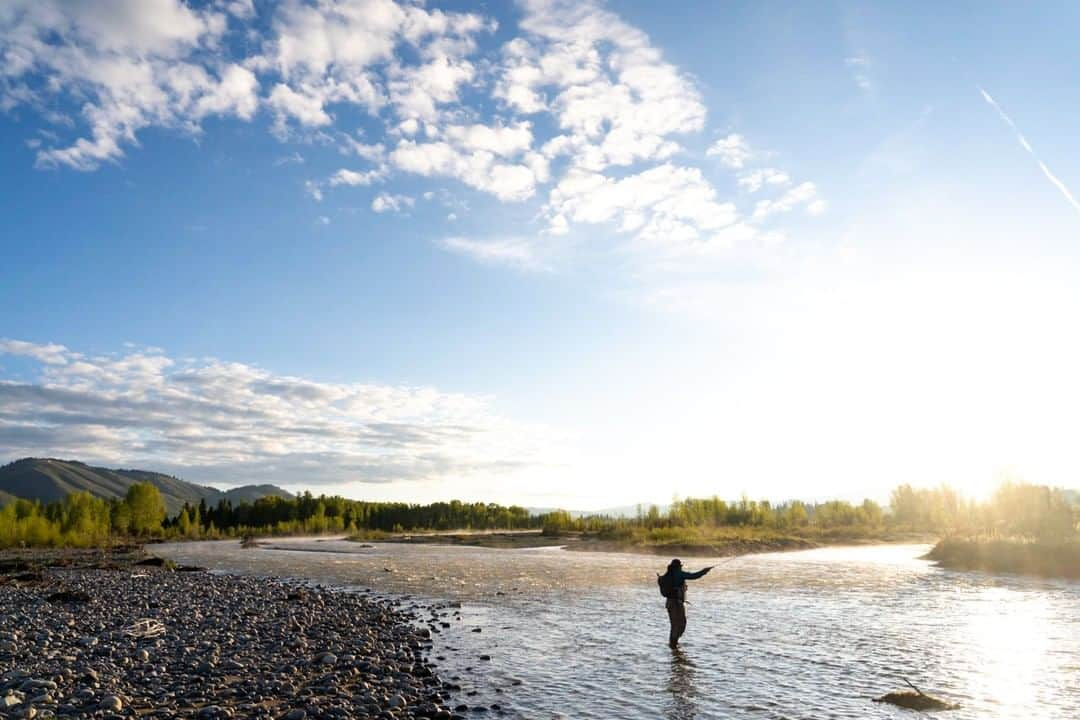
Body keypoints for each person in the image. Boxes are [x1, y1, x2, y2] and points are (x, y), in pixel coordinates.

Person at [661, 558, 713, 648]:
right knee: (681, 624)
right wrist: (705, 571)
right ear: (678, 567)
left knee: (674, 625)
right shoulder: (679, 574)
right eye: (680, 566)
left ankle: (673, 645)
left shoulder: (668, 575)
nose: (681, 568)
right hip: (676, 604)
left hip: (669, 603)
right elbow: (694, 576)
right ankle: (674, 645)